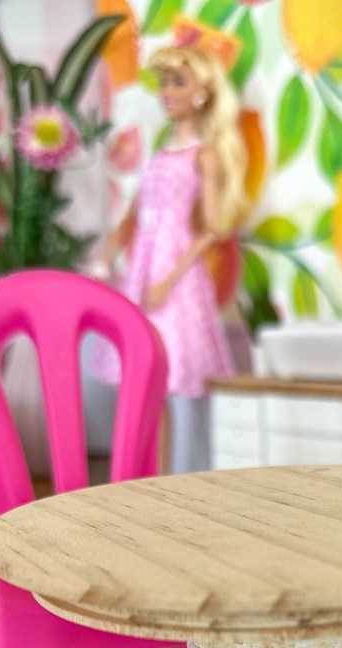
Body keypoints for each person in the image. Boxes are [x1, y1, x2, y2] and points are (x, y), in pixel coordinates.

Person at [91, 45, 249, 473]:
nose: (167, 91)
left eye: (178, 82)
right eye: (164, 82)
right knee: (148, 381)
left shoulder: (205, 155)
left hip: (177, 272)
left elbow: (214, 227)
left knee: (177, 375)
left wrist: (171, 275)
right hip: (145, 265)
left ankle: (183, 474)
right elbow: (135, 210)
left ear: (202, 92)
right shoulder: (161, 156)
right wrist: (108, 252)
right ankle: (150, 476)